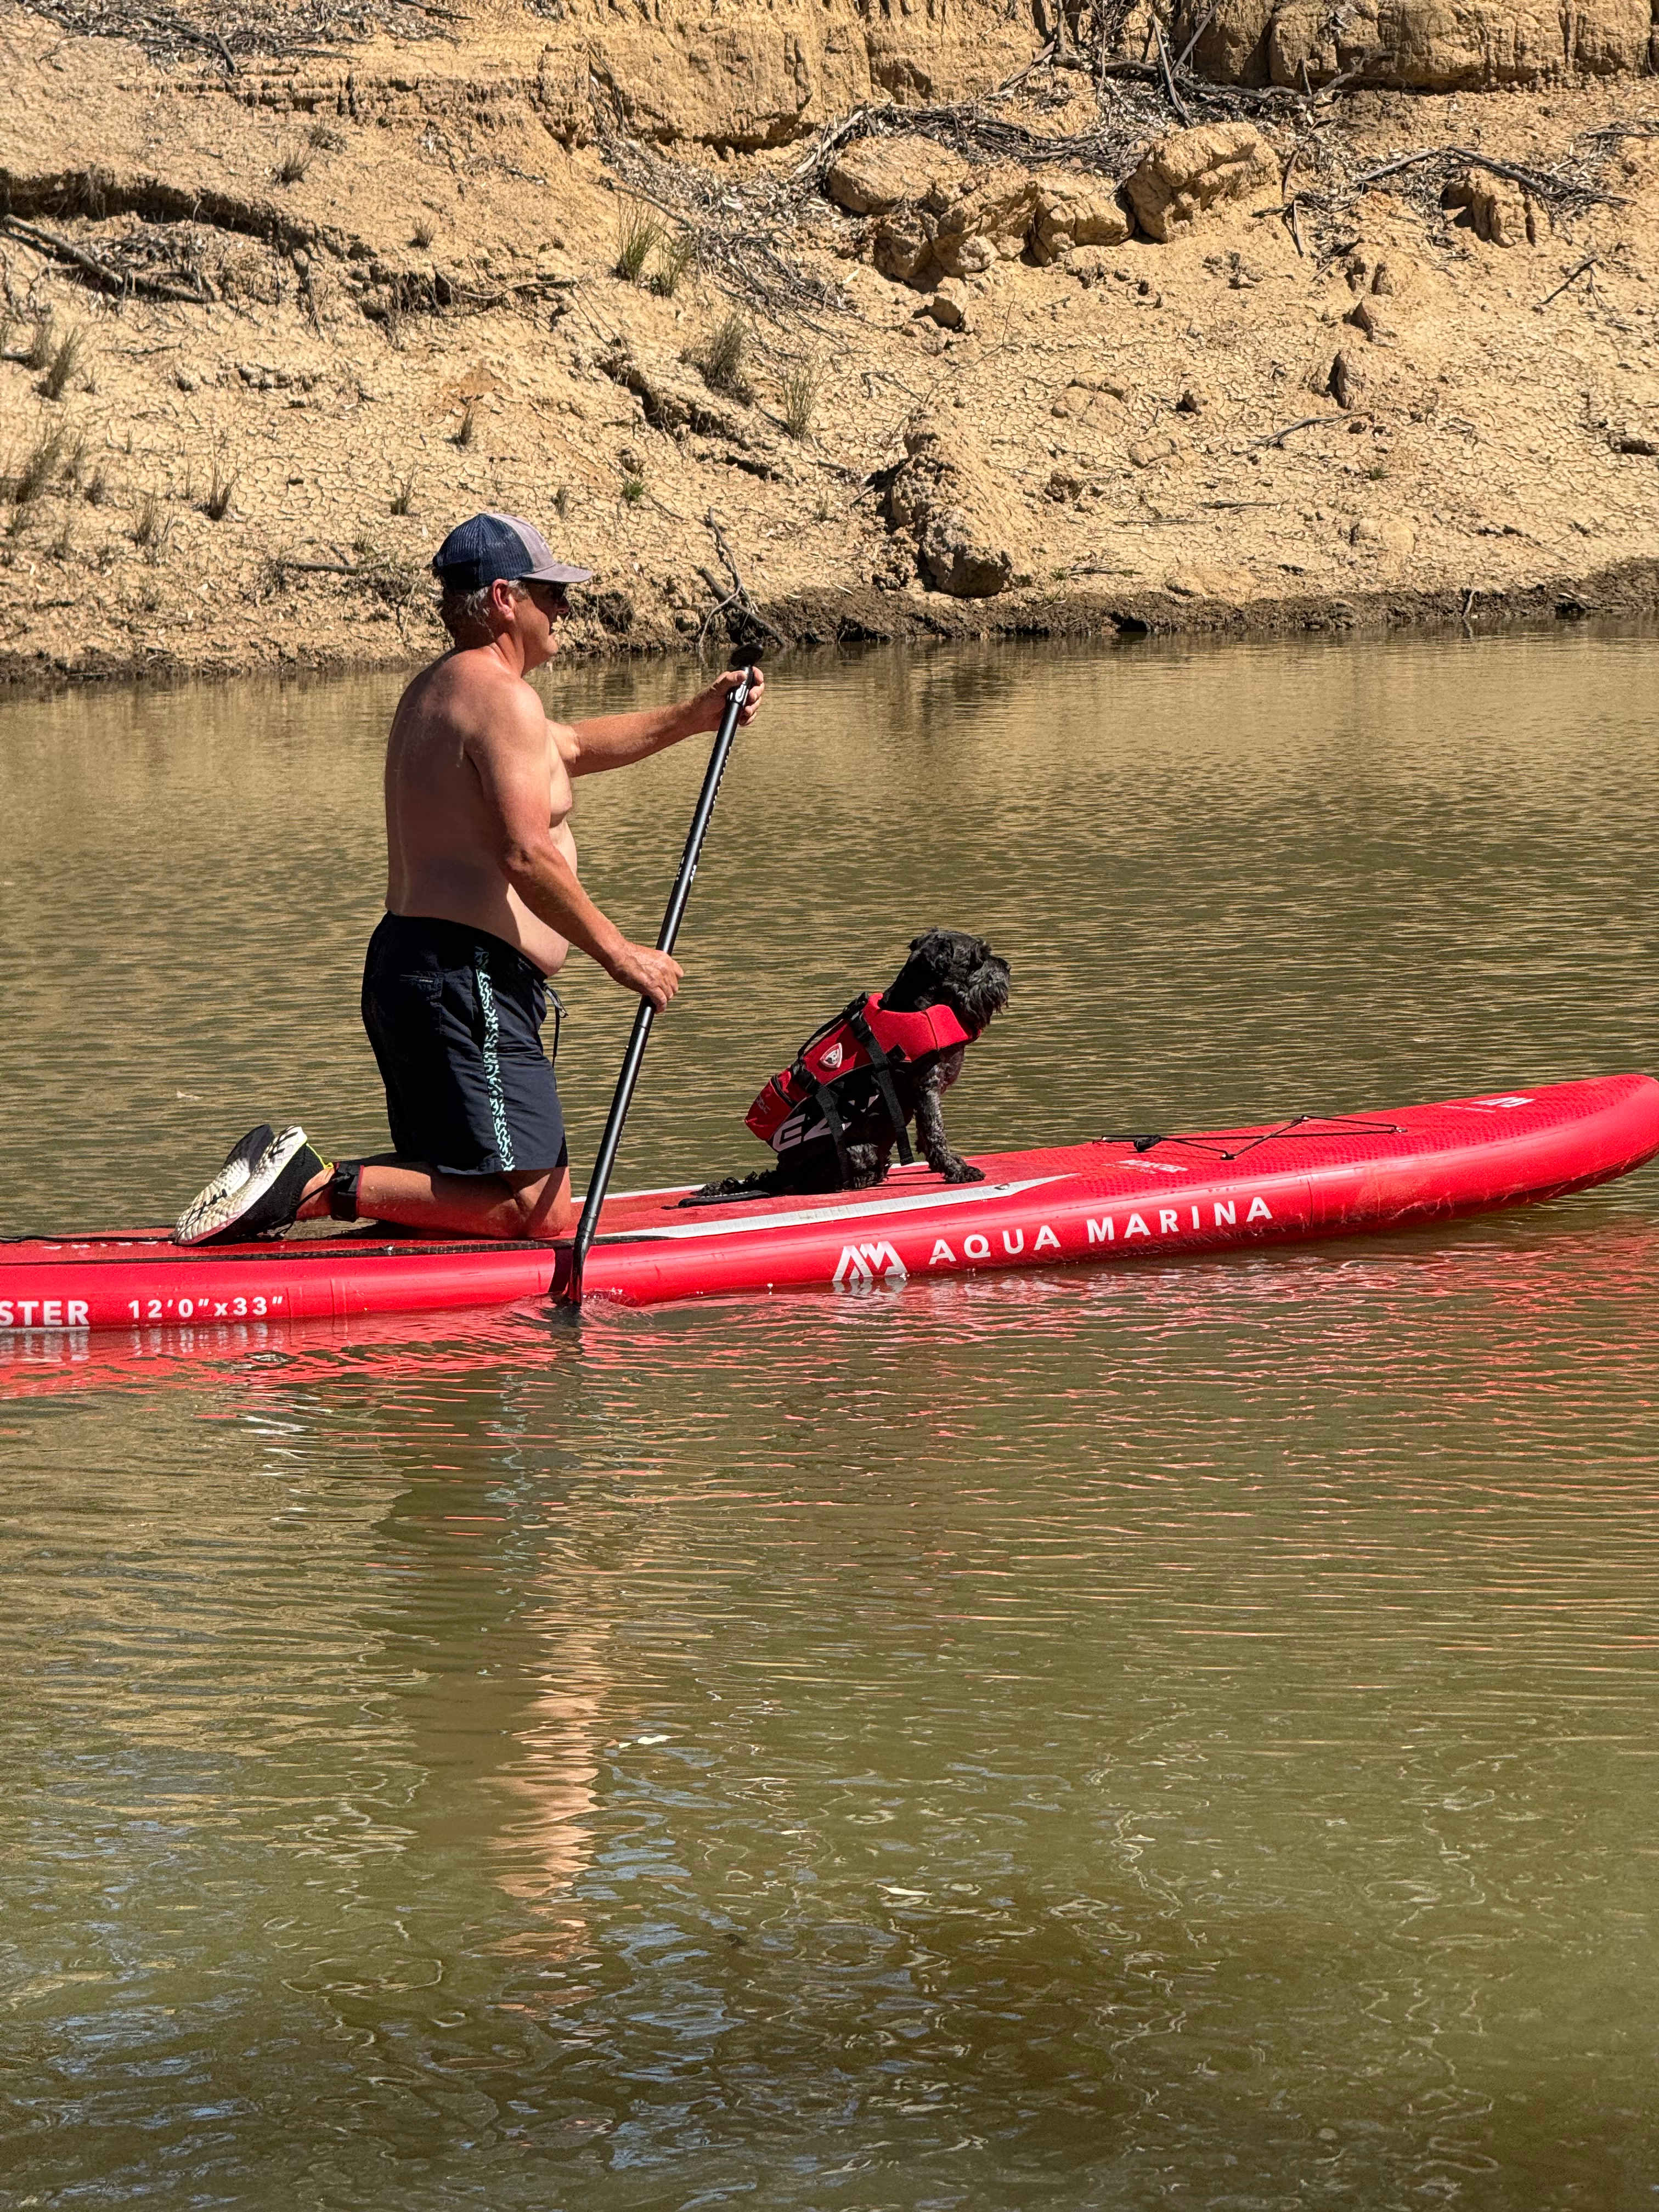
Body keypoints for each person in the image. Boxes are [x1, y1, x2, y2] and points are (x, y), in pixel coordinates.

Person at [174, 511, 764, 1246]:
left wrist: (696, 715)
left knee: (457, 1185)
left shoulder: (444, 689)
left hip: (417, 968)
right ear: (503, 599)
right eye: (551, 595)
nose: (565, 611)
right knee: (539, 1212)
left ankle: (300, 1203)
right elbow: (525, 853)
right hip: (465, 978)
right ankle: (314, 1186)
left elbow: (573, 746)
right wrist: (621, 954)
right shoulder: (501, 699)